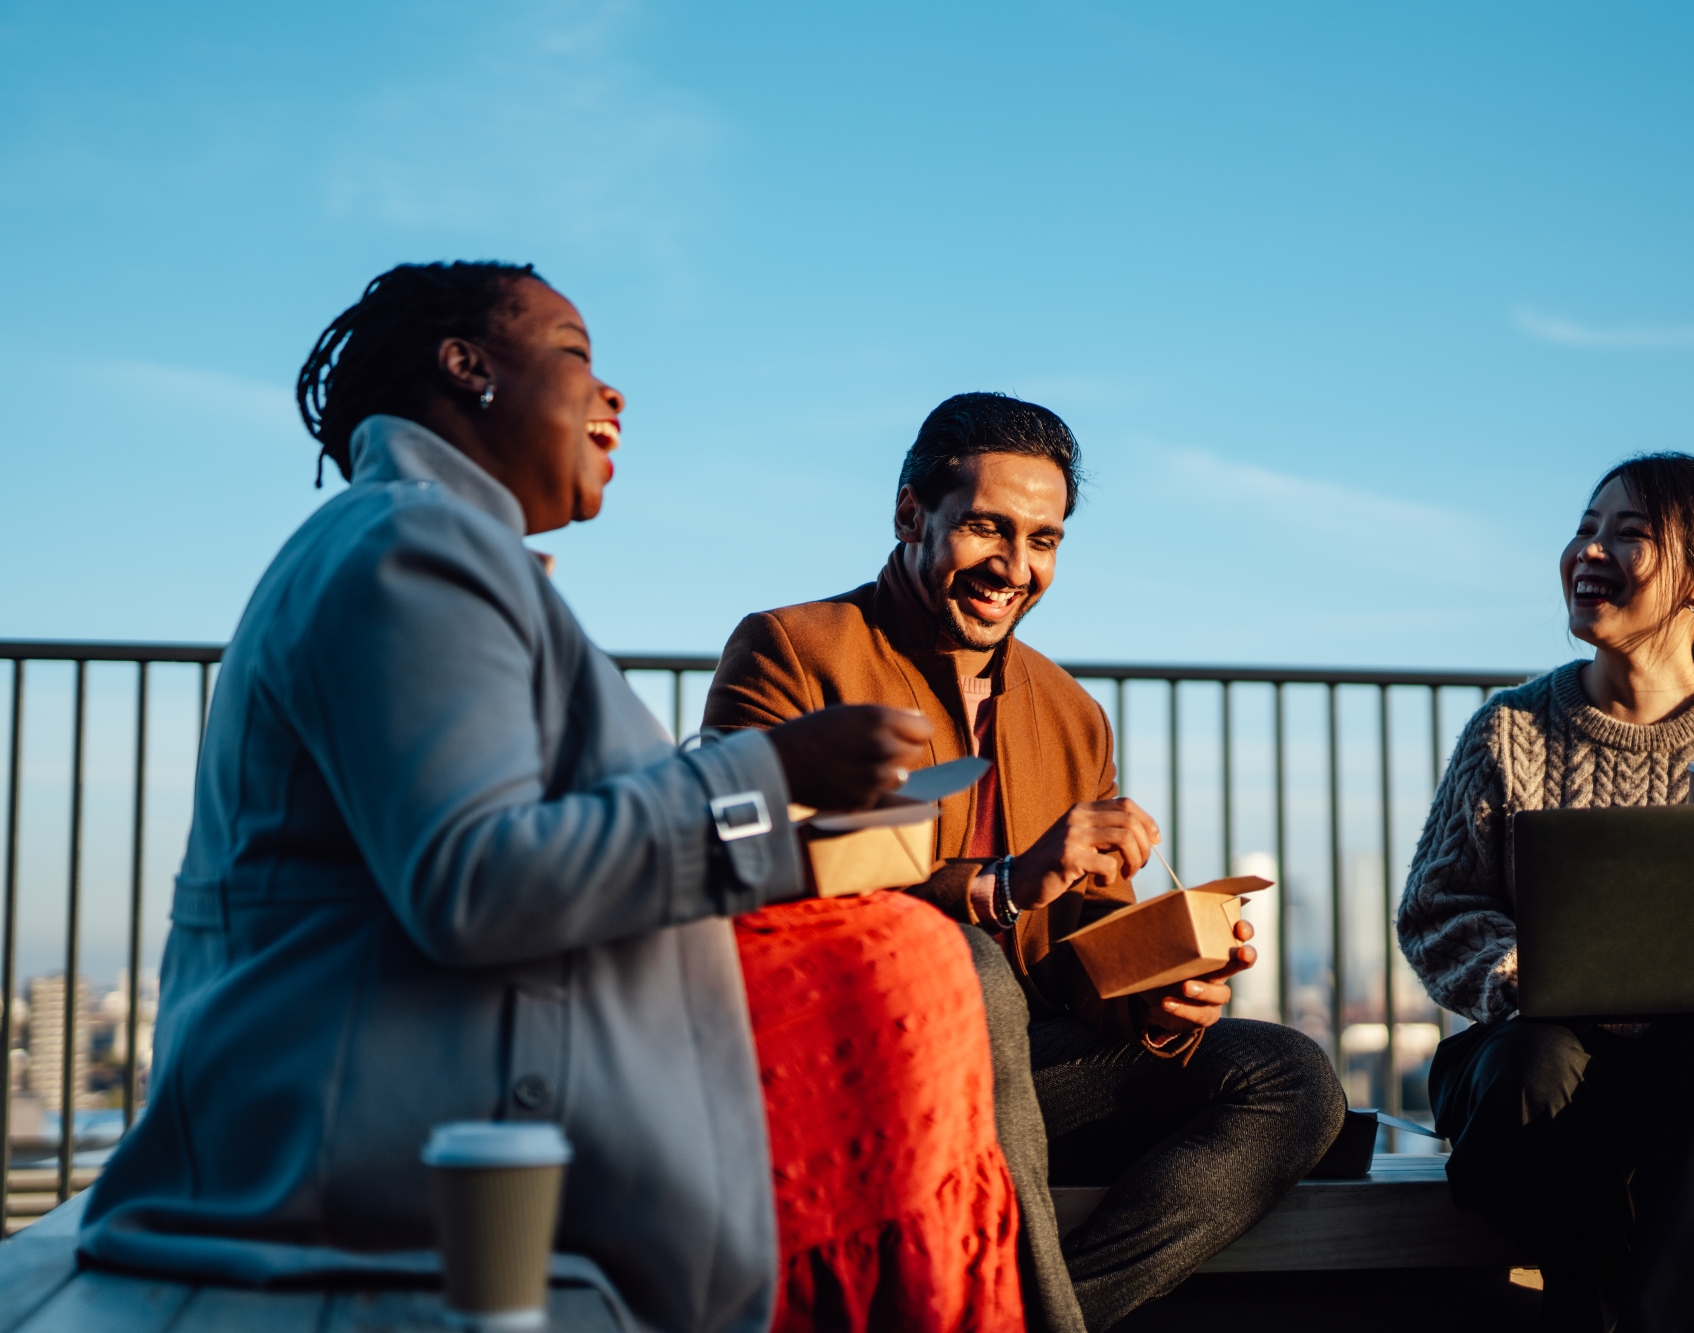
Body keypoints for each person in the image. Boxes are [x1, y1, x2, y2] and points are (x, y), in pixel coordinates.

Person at [78, 262, 1017, 1333]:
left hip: (398, 1098)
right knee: (909, 967)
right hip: (382, 1143)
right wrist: (778, 775)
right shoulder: (411, 545)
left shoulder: (435, 546)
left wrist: (775, 803)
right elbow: (474, 878)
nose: (612, 394)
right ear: (465, 367)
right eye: (575, 354)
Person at [705, 392, 1345, 1332]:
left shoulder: (1073, 711)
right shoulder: (792, 651)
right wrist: (999, 886)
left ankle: (1043, 1318)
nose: (1016, 567)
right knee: (967, 968)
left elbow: (1088, 958)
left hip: (1020, 1073)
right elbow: (746, 876)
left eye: (1043, 539)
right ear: (910, 514)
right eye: (987, 529)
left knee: (1294, 1076)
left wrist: (1158, 990)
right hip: (847, 1061)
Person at [1397, 452, 1694, 1332]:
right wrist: (1527, 974)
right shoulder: (1511, 728)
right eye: (1585, 527)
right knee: (1533, 1061)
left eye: (1628, 534)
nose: (1589, 551)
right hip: (1543, 1066)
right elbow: (1436, 910)